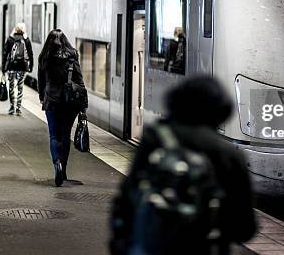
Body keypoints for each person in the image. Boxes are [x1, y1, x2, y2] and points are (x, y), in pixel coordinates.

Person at [110, 76, 257, 255]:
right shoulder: (229, 154)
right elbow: (245, 228)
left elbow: (128, 196)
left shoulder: (154, 137)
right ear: (221, 111)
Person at [37, 29, 87, 187]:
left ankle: (56, 164)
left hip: (51, 99)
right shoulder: (72, 56)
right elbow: (79, 80)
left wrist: (41, 97)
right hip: (69, 101)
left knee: (54, 136)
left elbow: (41, 81)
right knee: (65, 135)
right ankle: (63, 170)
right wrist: (83, 105)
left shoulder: (44, 56)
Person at [2, 23, 34, 115]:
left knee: (11, 87)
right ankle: (18, 108)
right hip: (22, 67)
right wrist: (31, 66)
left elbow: (5, 54)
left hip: (11, 67)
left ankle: (12, 107)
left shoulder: (10, 40)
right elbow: (30, 54)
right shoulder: (26, 40)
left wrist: (3, 68)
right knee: (20, 87)